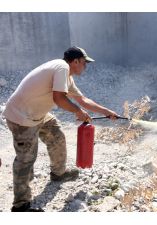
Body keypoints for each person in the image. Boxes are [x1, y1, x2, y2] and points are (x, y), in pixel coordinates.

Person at [2, 46, 119, 212]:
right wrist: (77, 111)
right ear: (76, 61)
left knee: (56, 135)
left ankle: (58, 173)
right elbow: (59, 98)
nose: (85, 66)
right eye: (84, 63)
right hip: (21, 117)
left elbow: (83, 100)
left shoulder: (66, 76)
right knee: (26, 159)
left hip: (37, 114)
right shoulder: (62, 67)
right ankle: (20, 206)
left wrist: (107, 112)